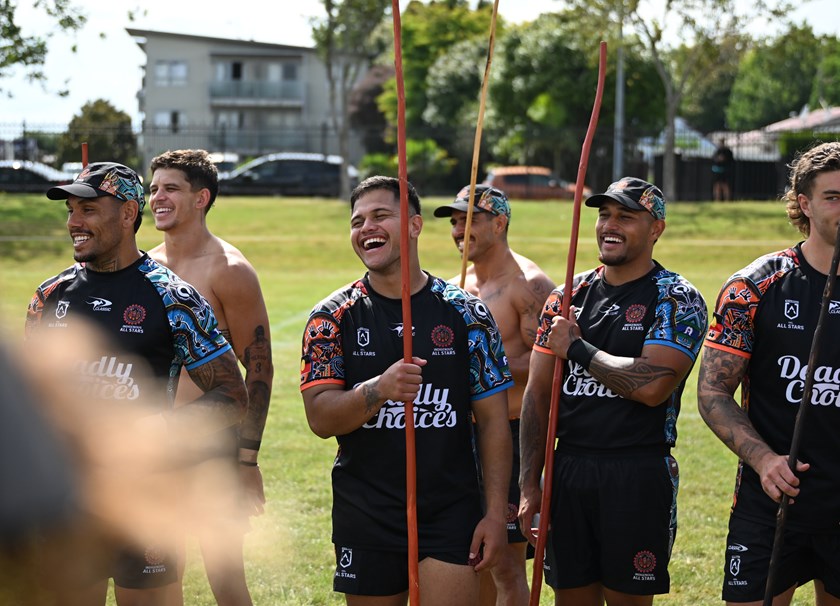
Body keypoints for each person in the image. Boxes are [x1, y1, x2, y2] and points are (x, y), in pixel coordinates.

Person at [25, 161, 249, 606]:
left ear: (128, 213)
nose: (73, 223)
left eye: (87, 210)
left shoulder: (175, 298)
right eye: (70, 211)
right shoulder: (48, 298)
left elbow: (232, 395)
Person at [299, 175, 513, 605]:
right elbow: (321, 419)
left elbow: (493, 423)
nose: (366, 229)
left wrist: (493, 515)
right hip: (366, 511)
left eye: (381, 216)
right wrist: (379, 388)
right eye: (357, 221)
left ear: (414, 225)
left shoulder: (466, 314)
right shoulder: (331, 318)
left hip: (450, 510)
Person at [518, 176, 708, 605]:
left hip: (637, 471)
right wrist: (529, 482)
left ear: (656, 228)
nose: (610, 225)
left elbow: (653, 385)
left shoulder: (676, 297)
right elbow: (538, 394)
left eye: (626, 216)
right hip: (568, 470)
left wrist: (578, 348)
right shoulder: (566, 297)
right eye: (604, 215)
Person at [697, 141, 840, 605]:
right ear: (804, 203)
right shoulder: (756, 285)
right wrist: (764, 461)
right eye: (833, 197)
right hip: (770, 502)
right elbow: (713, 392)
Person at [147, 149, 272, 606]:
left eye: (171, 188)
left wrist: (246, 461)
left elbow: (258, 369)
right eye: (154, 187)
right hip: (153, 439)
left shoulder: (229, 270)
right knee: (159, 571)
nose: (157, 197)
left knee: (224, 573)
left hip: (211, 442)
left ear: (201, 198)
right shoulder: (144, 266)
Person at [434, 184, 555, 606]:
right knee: (469, 553)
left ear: (500, 223)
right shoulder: (453, 287)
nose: (457, 230)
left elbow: (553, 363)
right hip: (459, 436)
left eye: (468, 220)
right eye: (453, 221)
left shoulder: (530, 285)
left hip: (512, 432)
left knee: (504, 562)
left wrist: (484, 363)